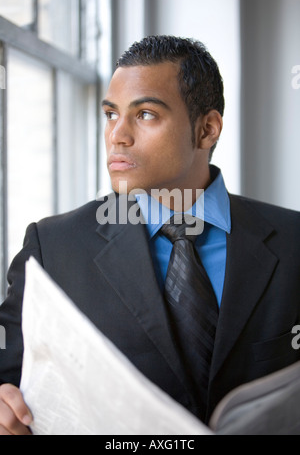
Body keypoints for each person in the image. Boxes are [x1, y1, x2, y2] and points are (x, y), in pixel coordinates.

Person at [0, 35, 300, 435]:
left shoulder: (294, 242)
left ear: (207, 129)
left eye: (144, 115)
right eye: (111, 114)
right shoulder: (53, 248)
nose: (117, 136)